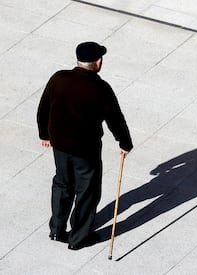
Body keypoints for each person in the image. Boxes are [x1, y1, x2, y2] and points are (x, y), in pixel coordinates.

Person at [37, 41, 133, 250]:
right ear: (97, 62)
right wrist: (125, 142)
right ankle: (79, 237)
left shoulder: (58, 78)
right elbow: (115, 119)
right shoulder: (101, 88)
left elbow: (44, 107)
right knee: (87, 191)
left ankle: (57, 229)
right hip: (85, 150)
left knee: (62, 184)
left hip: (60, 146)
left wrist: (44, 133)